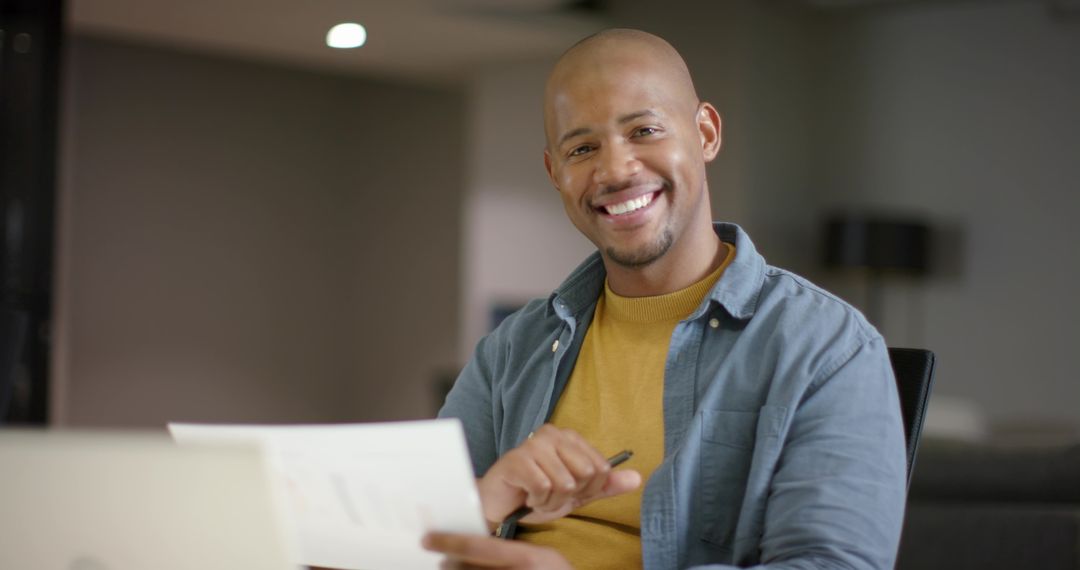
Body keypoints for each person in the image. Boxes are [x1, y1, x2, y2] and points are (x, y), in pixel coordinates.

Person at [425, 28, 907, 569]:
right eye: (582, 148)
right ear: (555, 172)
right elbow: (407, 535)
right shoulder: (516, 346)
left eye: (644, 130)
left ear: (705, 133)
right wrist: (486, 499)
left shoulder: (826, 346)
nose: (615, 169)